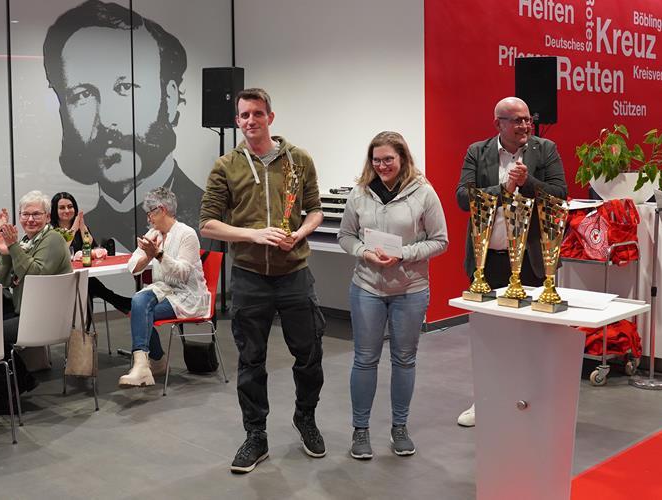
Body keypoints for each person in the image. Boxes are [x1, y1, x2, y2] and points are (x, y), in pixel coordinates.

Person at [200, 88, 326, 473]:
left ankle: (305, 417)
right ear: (237, 121)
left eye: (257, 113)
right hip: (250, 277)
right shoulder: (225, 166)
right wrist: (253, 234)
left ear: (270, 117)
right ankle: (256, 435)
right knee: (251, 360)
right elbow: (208, 222)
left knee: (308, 354)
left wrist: (300, 234)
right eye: (243, 115)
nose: (250, 121)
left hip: (294, 274)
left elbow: (315, 210)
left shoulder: (299, 160)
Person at [43, 0, 204, 251]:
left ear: (169, 98)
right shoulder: (82, 229)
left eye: (125, 88)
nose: (106, 119)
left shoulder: (207, 219)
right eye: (83, 95)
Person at [454, 97, 567, 427]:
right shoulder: (479, 152)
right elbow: (463, 197)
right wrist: (504, 187)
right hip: (488, 260)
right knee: (490, 337)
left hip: (532, 261)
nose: (524, 126)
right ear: (498, 124)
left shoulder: (545, 150)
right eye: (516, 121)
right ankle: (486, 399)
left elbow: (560, 194)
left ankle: (533, 402)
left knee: (532, 337)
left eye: (527, 120)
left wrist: (528, 182)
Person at [338, 131, 448, 459]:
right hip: (367, 287)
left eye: (389, 159)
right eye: (377, 159)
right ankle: (360, 431)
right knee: (364, 359)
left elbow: (441, 240)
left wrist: (405, 255)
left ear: (402, 158)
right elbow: (346, 236)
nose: (383, 165)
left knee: (404, 359)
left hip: (410, 290)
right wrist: (363, 252)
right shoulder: (359, 193)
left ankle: (399, 427)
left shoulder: (423, 193)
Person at [0, 191, 72, 412]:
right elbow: (3, 278)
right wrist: (5, 252)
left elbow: (35, 275)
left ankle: (8, 396)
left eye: (36, 214)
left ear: (47, 216)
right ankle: (20, 381)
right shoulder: (27, 241)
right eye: (25, 214)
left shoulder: (53, 239)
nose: (30, 219)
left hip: (44, 317)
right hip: (26, 311)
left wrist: (13, 247)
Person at [121, 187, 210, 387]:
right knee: (139, 301)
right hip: (163, 290)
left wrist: (158, 255)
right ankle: (143, 365)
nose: (148, 219)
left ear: (161, 210)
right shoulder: (153, 234)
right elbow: (133, 266)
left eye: (150, 213)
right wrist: (148, 255)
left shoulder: (187, 234)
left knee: (141, 312)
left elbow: (182, 273)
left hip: (187, 295)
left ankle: (155, 362)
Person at [51, 192, 131, 317]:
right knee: (88, 283)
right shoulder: (51, 230)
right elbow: (62, 250)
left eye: (70, 206)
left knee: (87, 283)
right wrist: (74, 228)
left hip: (80, 277)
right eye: (62, 207)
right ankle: (120, 302)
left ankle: (86, 330)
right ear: (55, 210)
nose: (67, 210)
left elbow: (91, 246)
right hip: (59, 279)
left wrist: (82, 227)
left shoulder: (80, 227)